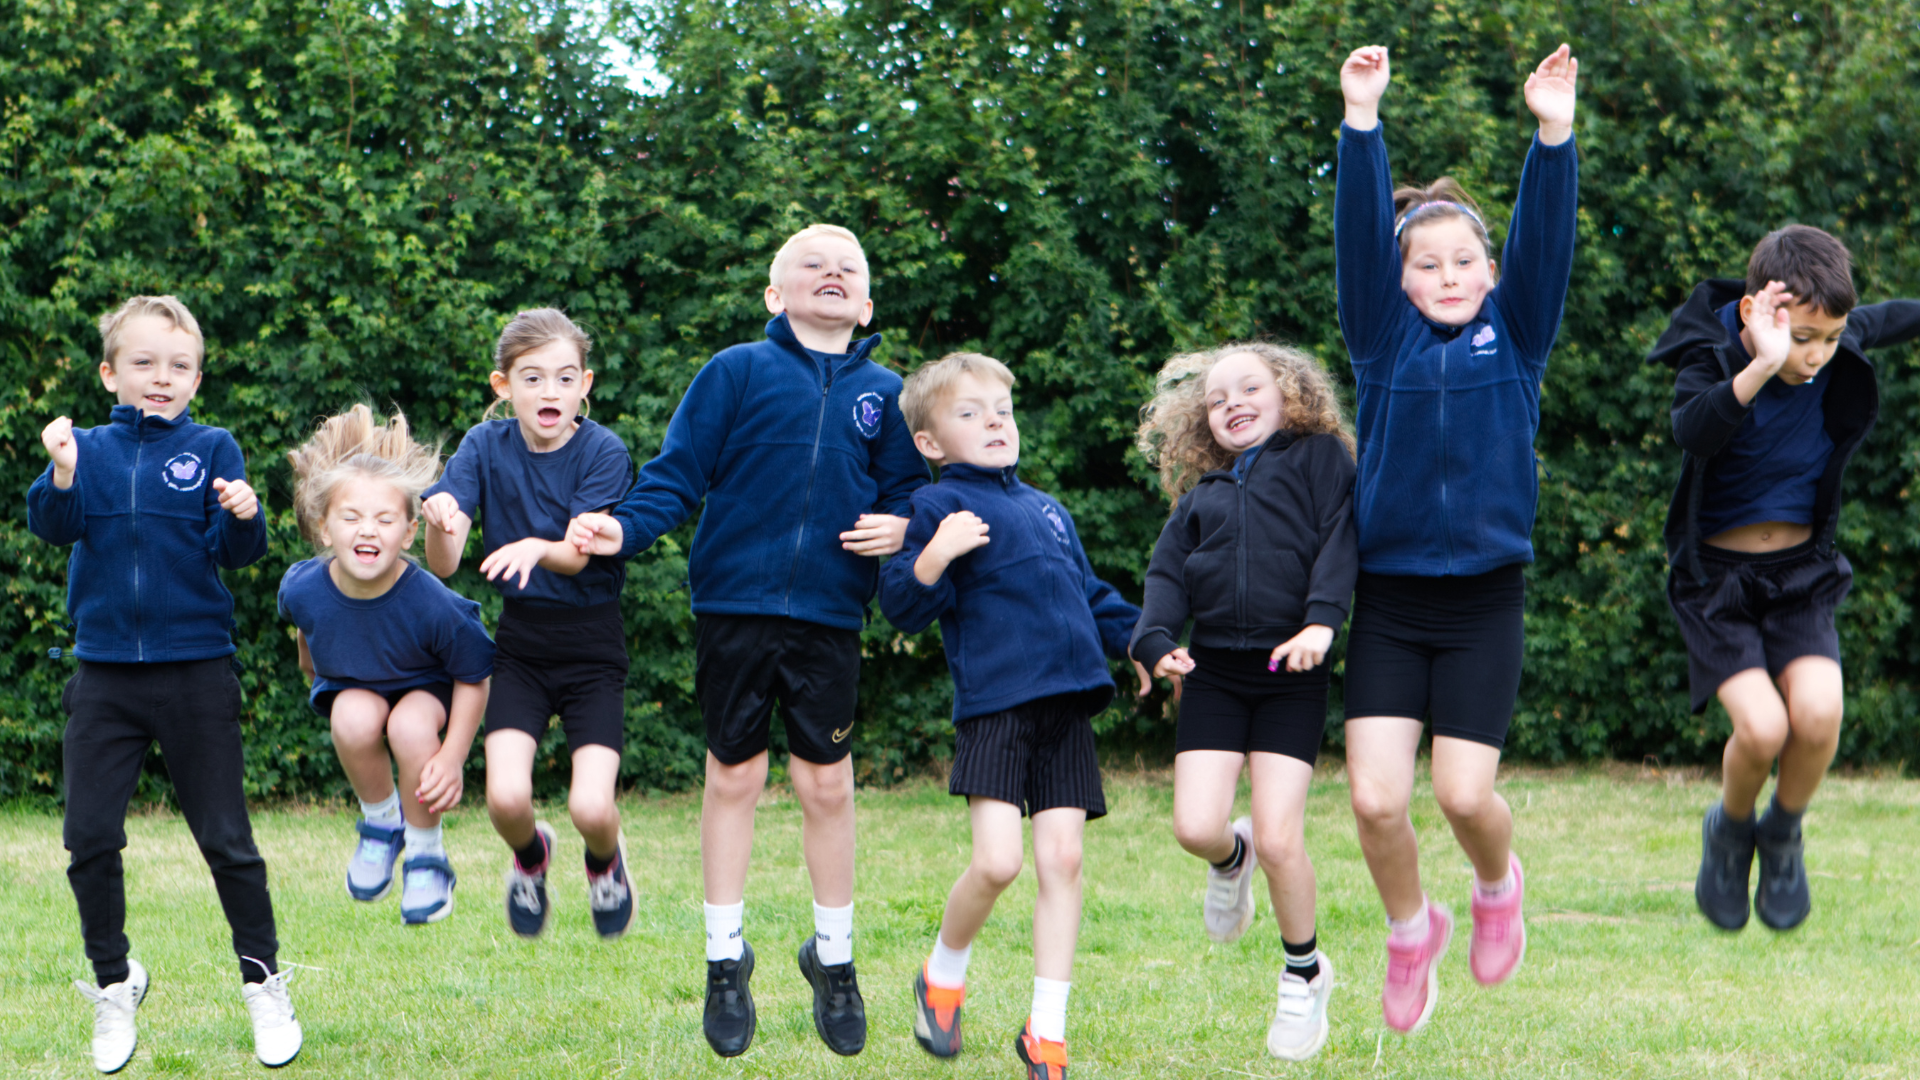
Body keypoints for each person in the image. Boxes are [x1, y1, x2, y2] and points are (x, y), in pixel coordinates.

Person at [566, 224, 928, 1057]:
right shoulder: (735, 371)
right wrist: (622, 529)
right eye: (813, 264)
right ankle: (724, 959)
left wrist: (906, 525)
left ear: (866, 304)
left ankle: (834, 958)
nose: (832, 272)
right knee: (735, 774)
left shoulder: (887, 395)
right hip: (735, 606)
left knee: (825, 784)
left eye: (848, 268)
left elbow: (913, 494)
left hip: (831, 615)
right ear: (775, 294)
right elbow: (675, 476)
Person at [1333, 43, 1579, 1033]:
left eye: (1464, 261)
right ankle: (1410, 931)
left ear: (1491, 271)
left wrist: (1552, 134)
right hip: (1391, 601)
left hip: (1483, 602)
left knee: (1465, 796)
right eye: (1425, 264)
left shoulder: (1515, 337)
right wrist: (1361, 120)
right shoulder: (1379, 339)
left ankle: (1495, 886)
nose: (1446, 276)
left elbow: (1546, 242)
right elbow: (1359, 239)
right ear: (1398, 281)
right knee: (1375, 802)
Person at [28, 295, 302, 1071]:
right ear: (109, 373)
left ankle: (263, 985)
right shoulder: (85, 448)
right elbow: (52, 525)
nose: (162, 376)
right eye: (144, 362)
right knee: (88, 837)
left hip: (197, 673)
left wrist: (244, 513)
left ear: (197, 379)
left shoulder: (214, 447)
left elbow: (239, 552)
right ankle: (113, 984)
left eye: (179, 365)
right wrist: (62, 469)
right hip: (104, 677)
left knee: (227, 841)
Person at [880, 351, 1142, 1080]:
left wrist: (1148, 643)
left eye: (1003, 410)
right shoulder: (937, 508)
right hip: (995, 707)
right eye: (970, 413)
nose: (995, 422)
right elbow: (901, 602)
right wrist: (936, 553)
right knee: (998, 862)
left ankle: (1046, 1032)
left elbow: (1093, 597)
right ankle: (942, 976)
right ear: (930, 442)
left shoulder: (1049, 509)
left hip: (1069, 705)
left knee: (1064, 861)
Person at [1651, 226, 1920, 932]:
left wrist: (1819, 343)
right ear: (1755, 312)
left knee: (1821, 714)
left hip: (1801, 574)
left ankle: (1782, 831)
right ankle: (1730, 828)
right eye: (1803, 339)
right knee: (1764, 727)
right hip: (1718, 584)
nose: (1817, 355)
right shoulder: (1711, 356)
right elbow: (1693, 431)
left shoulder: (1829, 341)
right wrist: (1763, 366)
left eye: (1829, 339)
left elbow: (1893, 317)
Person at [1130, 343, 1357, 1061]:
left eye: (1249, 389)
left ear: (1289, 393)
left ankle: (1304, 972)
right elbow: (1166, 575)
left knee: (1282, 837)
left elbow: (1340, 539)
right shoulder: (1203, 494)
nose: (1233, 404)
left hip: (1292, 669)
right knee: (1196, 826)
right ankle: (1233, 860)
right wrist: (1154, 641)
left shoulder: (1321, 459)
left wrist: (1322, 621)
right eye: (1217, 399)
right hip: (1217, 673)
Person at [420, 309, 638, 940]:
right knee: (506, 800)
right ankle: (531, 856)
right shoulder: (483, 446)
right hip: (520, 649)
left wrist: (536, 548)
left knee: (591, 807)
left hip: (593, 648)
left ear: (585, 384)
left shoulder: (603, 452)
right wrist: (438, 522)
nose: (550, 391)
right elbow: (446, 562)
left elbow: (577, 553)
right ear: (503, 385)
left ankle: (605, 862)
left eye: (565, 378)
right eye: (533, 378)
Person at [279, 405, 494, 927]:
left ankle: (425, 852)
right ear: (324, 528)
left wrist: (453, 756)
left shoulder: (434, 605)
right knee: (350, 716)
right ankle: (381, 825)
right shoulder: (302, 587)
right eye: (351, 517)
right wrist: (314, 676)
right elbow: (307, 632)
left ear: (409, 531)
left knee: (409, 725)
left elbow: (475, 675)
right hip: (358, 686)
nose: (367, 531)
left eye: (384, 519)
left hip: (428, 688)